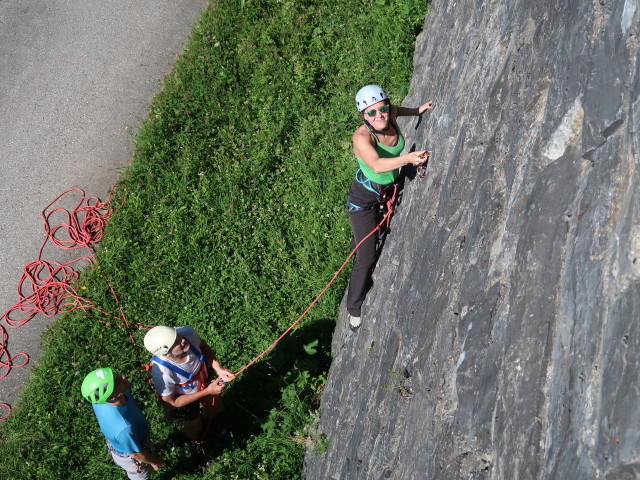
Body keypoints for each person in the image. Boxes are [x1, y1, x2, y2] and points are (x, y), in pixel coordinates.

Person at [346, 84, 433, 331]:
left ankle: (358, 239)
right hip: (363, 200)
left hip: (382, 191)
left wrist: (418, 110)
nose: (380, 115)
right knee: (367, 255)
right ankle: (353, 309)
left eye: (382, 109)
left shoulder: (389, 113)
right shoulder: (361, 137)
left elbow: (399, 110)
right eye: (372, 113)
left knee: (370, 237)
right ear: (363, 116)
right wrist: (406, 159)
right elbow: (375, 165)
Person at [143, 325, 235, 440]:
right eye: (176, 342)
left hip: (203, 380)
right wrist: (207, 391)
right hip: (183, 398)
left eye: (177, 335)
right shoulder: (162, 373)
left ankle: (208, 421)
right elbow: (170, 403)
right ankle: (193, 440)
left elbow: (202, 345)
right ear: (166, 354)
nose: (182, 340)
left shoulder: (188, 333)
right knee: (194, 425)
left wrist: (219, 369)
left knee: (216, 407)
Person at [81, 367, 164, 479]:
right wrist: (154, 460)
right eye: (118, 381)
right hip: (131, 454)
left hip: (124, 440)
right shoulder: (124, 428)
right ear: (111, 396)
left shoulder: (101, 399)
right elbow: (136, 454)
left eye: (117, 376)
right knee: (141, 476)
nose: (123, 377)